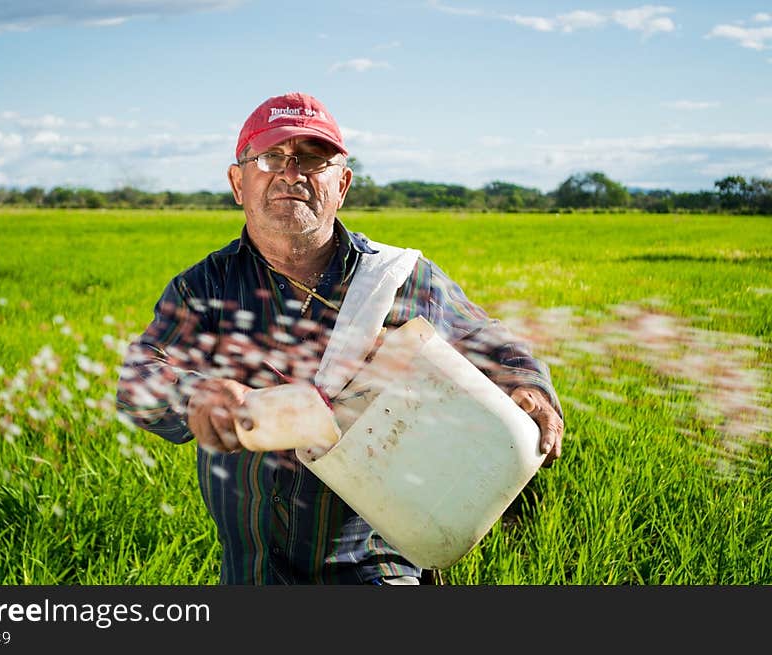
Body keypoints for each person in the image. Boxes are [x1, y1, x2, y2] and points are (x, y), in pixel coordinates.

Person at [116, 91, 564, 585]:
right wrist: (194, 394)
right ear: (237, 182)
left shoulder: (397, 278)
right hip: (252, 571)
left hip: (378, 565)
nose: (291, 173)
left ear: (342, 183)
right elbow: (137, 380)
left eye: (312, 158)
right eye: (270, 157)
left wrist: (530, 386)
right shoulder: (205, 287)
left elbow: (486, 338)